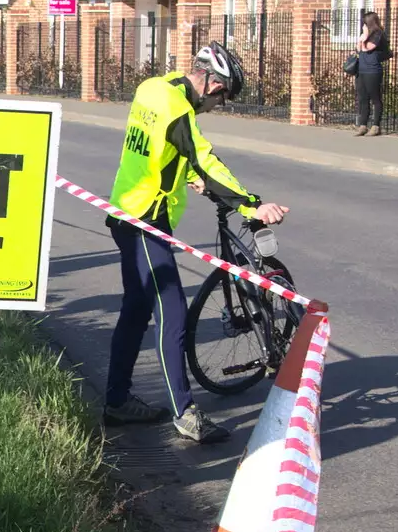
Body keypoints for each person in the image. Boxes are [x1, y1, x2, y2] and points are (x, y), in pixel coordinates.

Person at [102, 43, 288, 444]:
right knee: (171, 310)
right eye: (222, 97)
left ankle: (117, 400)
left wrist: (183, 172)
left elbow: (159, 148)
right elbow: (203, 157)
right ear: (212, 83)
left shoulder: (152, 88)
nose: (218, 106)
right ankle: (184, 413)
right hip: (144, 220)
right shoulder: (178, 110)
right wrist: (252, 205)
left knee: (135, 309)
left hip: (124, 210)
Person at [353, 10, 390, 136]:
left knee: (375, 98)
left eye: (365, 22)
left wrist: (364, 35)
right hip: (361, 69)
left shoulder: (378, 34)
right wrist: (361, 38)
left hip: (372, 70)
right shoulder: (366, 34)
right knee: (363, 98)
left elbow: (367, 48)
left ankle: (376, 126)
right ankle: (363, 125)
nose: (364, 25)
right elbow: (359, 49)